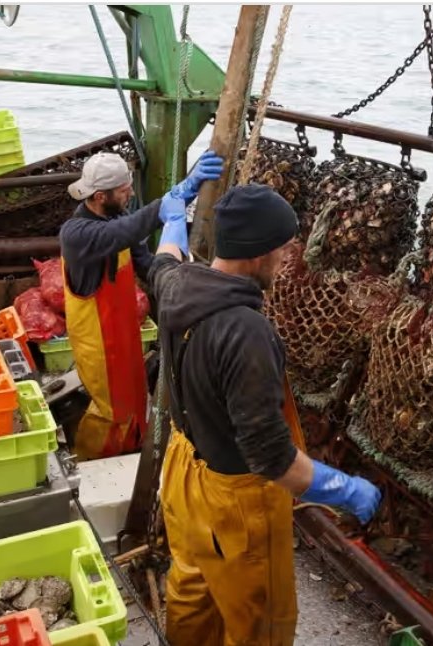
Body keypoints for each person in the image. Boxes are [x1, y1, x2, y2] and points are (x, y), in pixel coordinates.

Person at [148, 181, 383, 645]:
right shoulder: (246, 332)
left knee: (191, 586)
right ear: (257, 254)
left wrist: (173, 218)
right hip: (235, 503)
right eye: (283, 248)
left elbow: (165, 257)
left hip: (183, 472)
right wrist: (346, 490)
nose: (286, 259)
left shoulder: (176, 285)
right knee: (260, 623)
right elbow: (271, 457)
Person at [60, 150, 223, 461]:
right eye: (124, 190)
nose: (131, 193)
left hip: (125, 336)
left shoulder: (117, 217)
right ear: (99, 196)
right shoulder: (77, 234)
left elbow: (146, 264)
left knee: (135, 402)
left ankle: (131, 451)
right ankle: (91, 462)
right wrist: (172, 199)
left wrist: (181, 280)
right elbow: (124, 231)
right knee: (112, 411)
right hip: (98, 346)